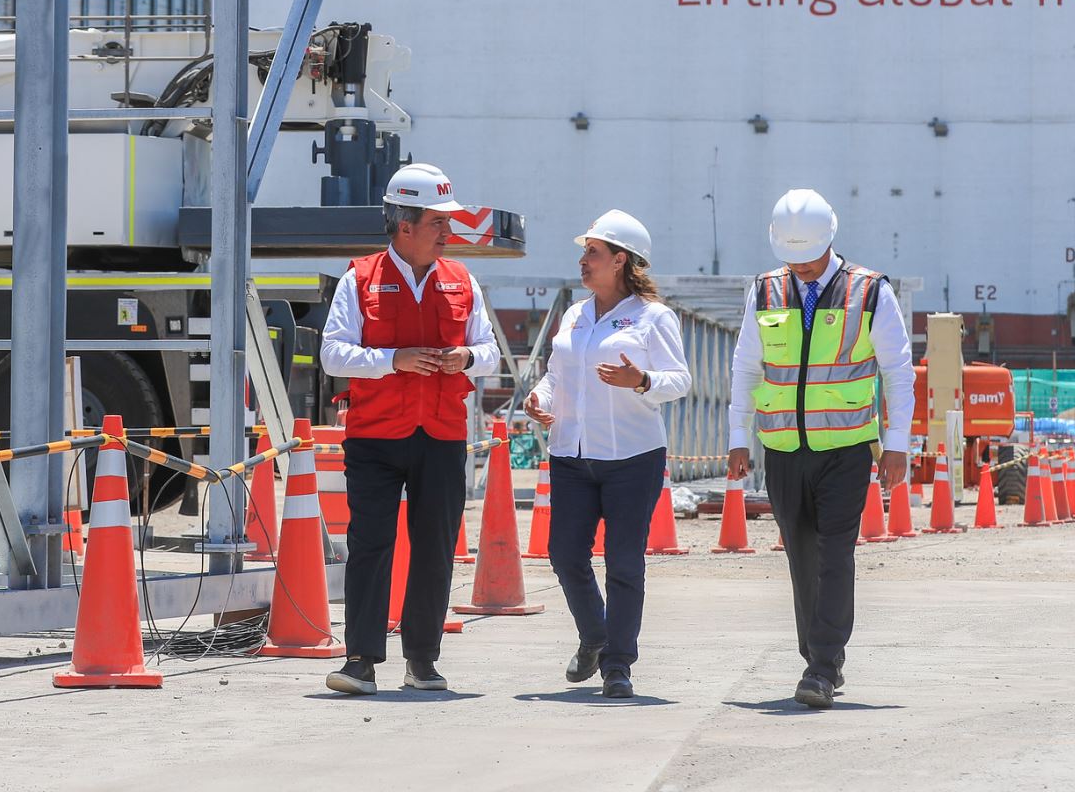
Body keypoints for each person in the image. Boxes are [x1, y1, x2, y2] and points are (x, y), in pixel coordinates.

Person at [726, 189, 913, 708]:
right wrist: (737, 437)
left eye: (809, 257)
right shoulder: (764, 290)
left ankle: (823, 665)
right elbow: (745, 367)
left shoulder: (870, 291)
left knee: (835, 552)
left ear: (831, 240)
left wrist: (897, 445)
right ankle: (818, 652)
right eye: (792, 258)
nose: (802, 268)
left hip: (848, 448)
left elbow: (897, 371)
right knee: (800, 553)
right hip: (783, 448)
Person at [319, 162, 501, 695]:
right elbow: (333, 354)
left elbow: (489, 351)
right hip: (375, 436)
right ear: (405, 225)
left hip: (442, 435)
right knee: (371, 544)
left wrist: (465, 356)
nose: (449, 233)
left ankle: (422, 660)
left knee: (435, 547)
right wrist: (392, 360)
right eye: (438, 223)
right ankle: (360, 661)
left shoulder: (462, 281)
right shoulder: (360, 279)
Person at [523, 210, 692, 698]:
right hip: (572, 454)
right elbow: (558, 376)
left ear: (620, 260)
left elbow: (678, 380)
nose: (583, 261)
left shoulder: (652, 316)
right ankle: (596, 636)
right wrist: (541, 400)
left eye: (592, 253)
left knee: (623, 563)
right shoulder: (575, 314)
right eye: (584, 253)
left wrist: (640, 381)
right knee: (564, 554)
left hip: (632, 458)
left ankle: (618, 665)